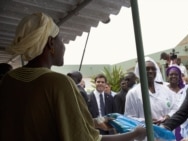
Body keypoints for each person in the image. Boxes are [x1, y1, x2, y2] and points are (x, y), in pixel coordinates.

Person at [0, 12, 146, 141]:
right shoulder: (58, 83)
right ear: (51, 43)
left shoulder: (8, 80)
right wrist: (135, 133)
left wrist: (94, 121)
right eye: (60, 40)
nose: (63, 46)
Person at [125, 56, 177, 141]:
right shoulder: (133, 93)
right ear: (140, 71)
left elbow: (175, 107)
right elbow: (128, 118)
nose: (150, 71)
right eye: (147, 69)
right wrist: (146, 121)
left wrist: (168, 116)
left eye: (153, 69)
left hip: (166, 134)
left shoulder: (165, 89)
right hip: (146, 136)